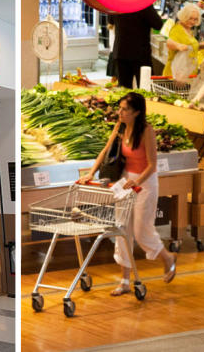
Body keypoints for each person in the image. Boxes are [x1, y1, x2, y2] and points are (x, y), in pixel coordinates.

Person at [79, 92, 177, 294]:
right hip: (124, 181)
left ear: (137, 112)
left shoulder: (147, 131)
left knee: (142, 230)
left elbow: (152, 165)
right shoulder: (120, 127)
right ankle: (124, 281)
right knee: (122, 229)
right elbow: (106, 151)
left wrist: (137, 181)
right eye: (120, 108)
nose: (120, 112)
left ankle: (167, 257)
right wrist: (90, 173)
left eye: (125, 109)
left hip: (145, 183)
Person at [111, 8, 164, 88]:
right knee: (145, 88)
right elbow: (158, 24)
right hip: (140, 52)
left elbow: (110, 21)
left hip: (120, 51)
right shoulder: (143, 5)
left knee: (124, 89)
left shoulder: (116, 3)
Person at [164, 4, 204, 79]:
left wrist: (200, 46)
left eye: (195, 19)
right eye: (190, 18)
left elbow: (188, 47)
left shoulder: (188, 30)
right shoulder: (177, 29)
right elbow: (169, 42)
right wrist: (178, 46)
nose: (192, 22)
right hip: (175, 75)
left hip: (187, 75)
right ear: (184, 16)